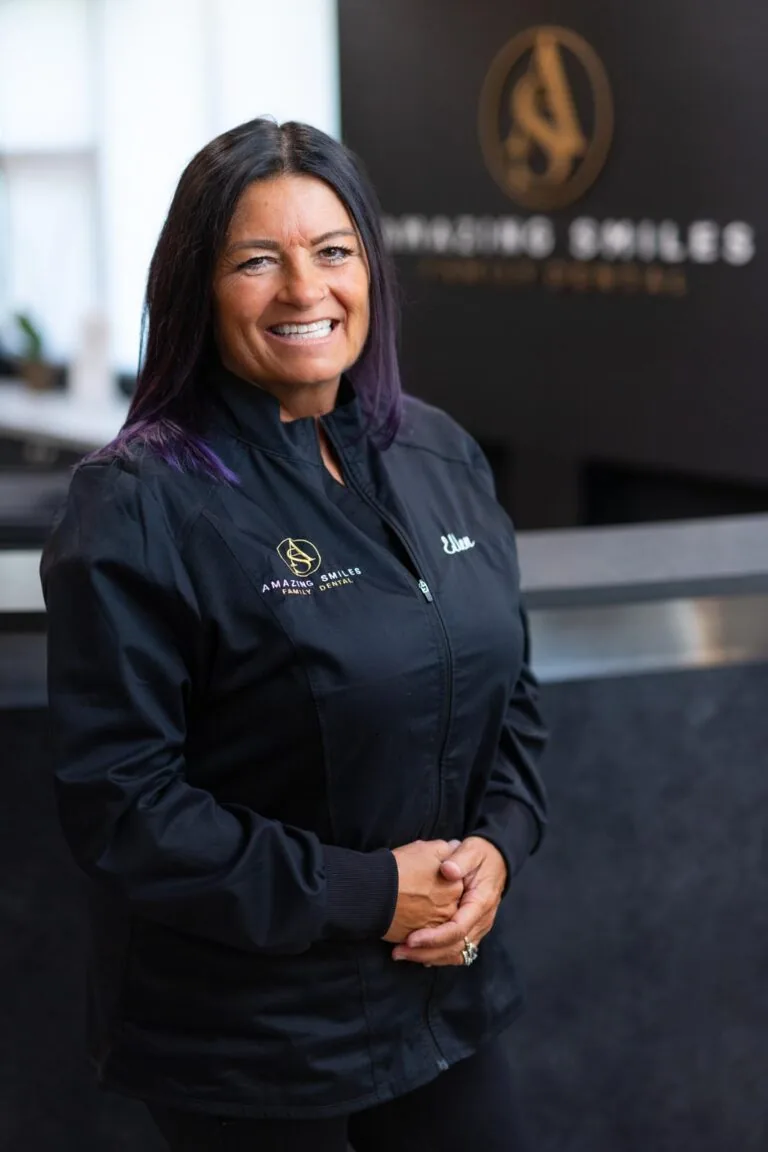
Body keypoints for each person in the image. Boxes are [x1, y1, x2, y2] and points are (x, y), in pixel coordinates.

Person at [41, 118, 548, 1152]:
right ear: (198, 287)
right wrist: (371, 892)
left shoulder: (440, 453)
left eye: (332, 252)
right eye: (256, 261)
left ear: (369, 268)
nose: (303, 290)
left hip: (440, 1001)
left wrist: (499, 846)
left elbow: (514, 704)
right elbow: (123, 809)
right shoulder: (139, 503)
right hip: (250, 1042)